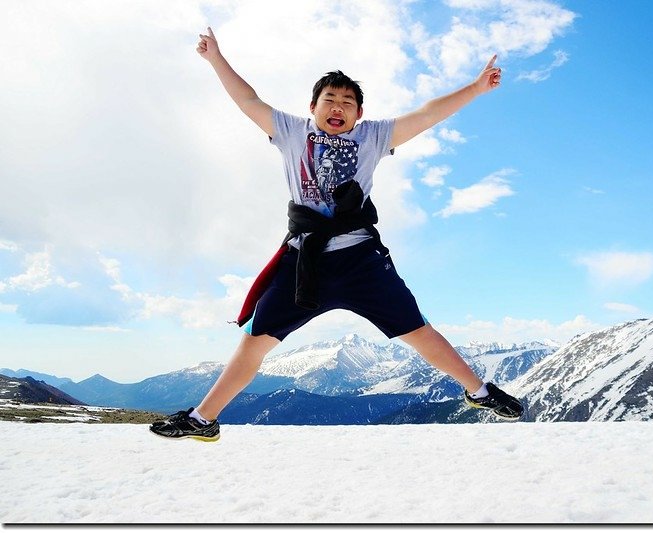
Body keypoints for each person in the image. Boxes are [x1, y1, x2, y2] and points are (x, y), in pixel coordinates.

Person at [150, 27, 523, 442]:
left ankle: (479, 391)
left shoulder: (374, 137)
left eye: (348, 102)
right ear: (312, 106)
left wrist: (474, 88)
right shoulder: (291, 132)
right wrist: (216, 58)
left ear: (359, 114)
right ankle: (203, 419)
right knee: (254, 342)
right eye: (330, 99)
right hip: (304, 260)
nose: (338, 107)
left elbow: (428, 113)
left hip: (360, 259)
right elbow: (247, 99)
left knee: (418, 330)